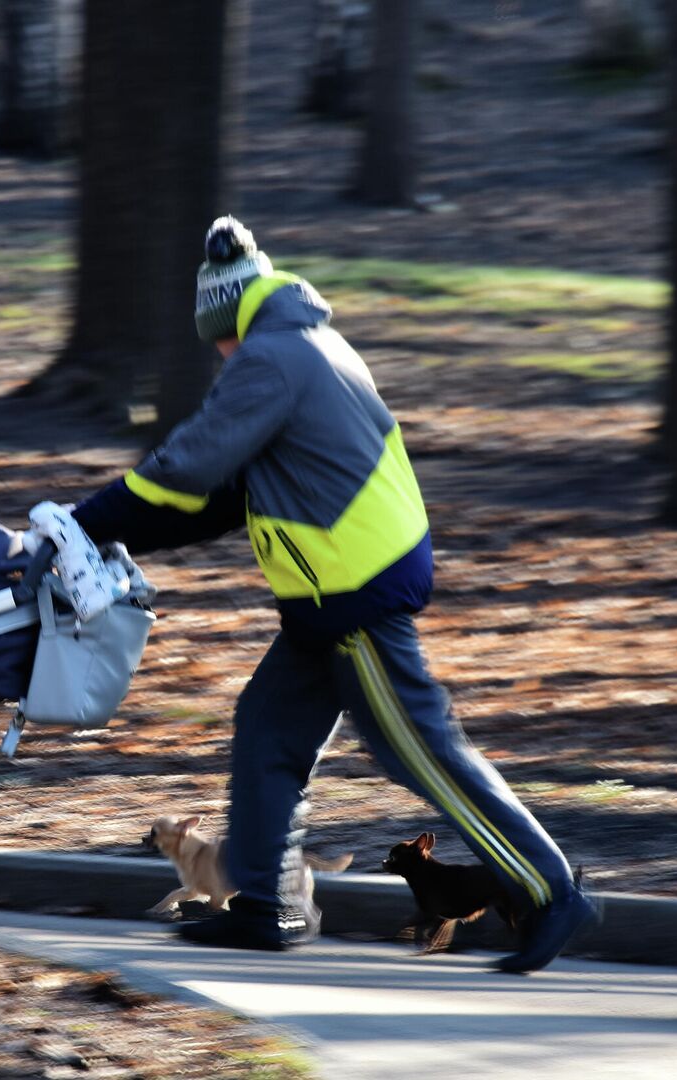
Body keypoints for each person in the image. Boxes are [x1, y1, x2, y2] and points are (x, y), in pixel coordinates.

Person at [68, 216, 596, 973]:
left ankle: (553, 891)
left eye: (217, 338)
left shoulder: (273, 357)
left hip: (358, 594)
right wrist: (105, 535)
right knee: (268, 730)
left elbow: (186, 467)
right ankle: (265, 905)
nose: (218, 354)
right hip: (328, 598)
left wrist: (84, 522)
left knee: (420, 751)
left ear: (230, 319)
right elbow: (220, 499)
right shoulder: (304, 345)